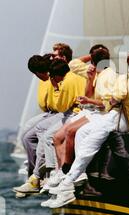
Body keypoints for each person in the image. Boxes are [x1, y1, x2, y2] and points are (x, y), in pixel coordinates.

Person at [45, 51, 129, 208]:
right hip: (119, 118)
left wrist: (108, 101)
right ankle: (75, 176)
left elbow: (116, 97)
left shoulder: (122, 77)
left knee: (88, 142)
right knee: (82, 133)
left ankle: (68, 182)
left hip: (116, 118)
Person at [14, 59, 86, 194]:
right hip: (74, 112)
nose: (51, 79)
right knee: (35, 133)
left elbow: (61, 106)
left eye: (53, 77)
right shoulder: (77, 78)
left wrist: (56, 88)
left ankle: (50, 173)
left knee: (47, 137)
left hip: (73, 113)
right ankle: (38, 173)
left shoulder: (65, 83)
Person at [20, 54, 54, 176]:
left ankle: (38, 172)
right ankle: (33, 165)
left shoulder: (55, 75)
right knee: (27, 129)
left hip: (57, 112)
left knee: (36, 134)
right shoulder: (45, 79)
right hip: (49, 112)